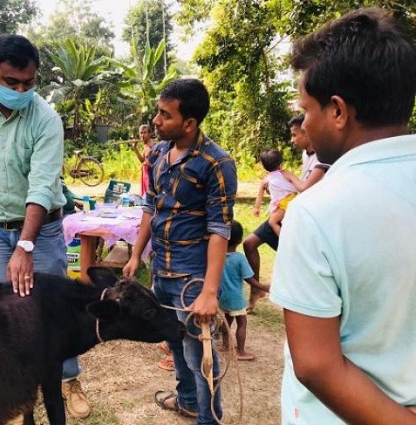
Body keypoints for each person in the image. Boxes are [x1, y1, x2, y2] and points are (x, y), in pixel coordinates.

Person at [270, 8, 416, 424]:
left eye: (307, 109)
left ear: (338, 111)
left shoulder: (317, 212)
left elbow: (316, 365)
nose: (305, 125)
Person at [0, 34, 90, 418]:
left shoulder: (46, 119)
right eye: (11, 82)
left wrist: (26, 247)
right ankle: (22, 389)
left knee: (53, 311)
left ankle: (68, 381)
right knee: (9, 314)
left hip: (42, 233)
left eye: (28, 83)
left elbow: (42, 184)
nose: (20, 90)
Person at [123, 78, 237, 424]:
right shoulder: (157, 153)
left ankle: (209, 418)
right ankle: (187, 400)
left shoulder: (217, 163)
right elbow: (150, 206)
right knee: (172, 339)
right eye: (158, 112)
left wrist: (210, 291)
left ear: (189, 123)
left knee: (198, 350)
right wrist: (135, 255)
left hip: (192, 274)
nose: (156, 121)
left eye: (164, 115)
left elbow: (220, 229)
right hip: (161, 268)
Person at [244, 114, 328, 312]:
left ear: (306, 132)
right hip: (288, 211)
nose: (292, 139)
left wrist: (288, 176)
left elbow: (305, 188)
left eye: (294, 135)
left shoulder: (323, 158)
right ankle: (257, 290)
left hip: (300, 218)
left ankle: (299, 303)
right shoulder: (306, 155)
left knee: (295, 259)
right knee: (249, 243)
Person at [219, 221, 270, 361]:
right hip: (236, 300)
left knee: (226, 320)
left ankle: (225, 345)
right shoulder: (239, 258)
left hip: (222, 298)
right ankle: (240, 351)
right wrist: (263, 287)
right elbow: (249, 279)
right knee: (242, 323)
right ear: (240, 240)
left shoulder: (218, 255)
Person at [253, 149, 298, 236]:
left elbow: (260, 195)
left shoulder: (265, 180)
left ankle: (283, 240)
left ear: (263, 166)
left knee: (272, 222)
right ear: (280, 163)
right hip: (293, 199)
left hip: (283, 204)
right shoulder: (285, 173)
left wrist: (256, 208)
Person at [132, 124, 155, 196]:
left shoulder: (152, 145)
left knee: (149, 195)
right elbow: (142, 160)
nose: (142, 135)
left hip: (150, 173)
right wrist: (135, 148)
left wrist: (149, 164)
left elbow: (155, 163)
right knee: (145, 195)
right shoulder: (145, 144)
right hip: (145, 172)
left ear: (150, 133)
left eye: (145, 132)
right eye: (141, 133)